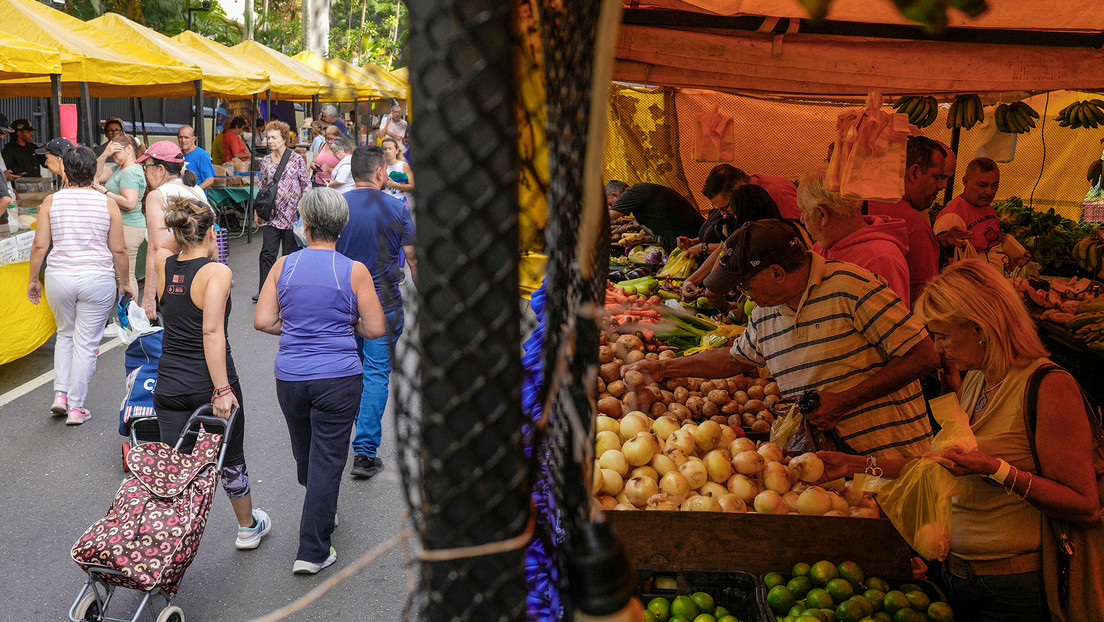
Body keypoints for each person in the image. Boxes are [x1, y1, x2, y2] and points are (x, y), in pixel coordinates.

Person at [820, 259, 1103, 622]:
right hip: (958, 577)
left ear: (980, 326)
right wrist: (856, 466)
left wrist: (997, 470)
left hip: (1013, 587)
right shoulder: (975, 379)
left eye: (942, 335)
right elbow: (936, 468)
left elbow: (1084, 504)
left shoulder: (1048, 386)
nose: (937, 349)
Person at [624, 219, 937, 459]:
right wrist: (664, 369)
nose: (741, 294)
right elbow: (734, 358)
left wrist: (845, 401)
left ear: (775, 273)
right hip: (828, 464)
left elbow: (924, 355)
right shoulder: (765, 312)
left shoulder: (852, 287)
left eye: (745, 285)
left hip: (894, 460)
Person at [254, 188, 385, 574]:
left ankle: (320, 509)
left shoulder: (285, 266)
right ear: (341, 226)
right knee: (327, 460)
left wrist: (294, 328)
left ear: (304, 225)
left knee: (306, 455)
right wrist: (346, 325)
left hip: (291, 376)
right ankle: (313, 551)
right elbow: (375, 328)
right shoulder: (353, 270)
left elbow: (263, 321)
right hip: (339, 377)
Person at [153, 196, 272, 551]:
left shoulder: (162, 264)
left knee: (176, 465)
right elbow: (211, 332)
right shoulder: (216, 273)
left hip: (169, 384)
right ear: (210, 233)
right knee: (231, 456)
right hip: (210, 384)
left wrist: (189, 230)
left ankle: (165, 540)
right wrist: (221, 389)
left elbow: (165, 245)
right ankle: (247, 527)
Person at [26, 144, 132, 425]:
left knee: (65, 335)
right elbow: (119, 250)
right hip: (97, 278)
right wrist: (125, 282)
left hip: (59, 277)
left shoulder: (52, 201)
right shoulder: (107, 203)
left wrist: (33, 280)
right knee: (86, 343)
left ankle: (60, 395)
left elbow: (40, 246)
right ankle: (76, 407)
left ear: (66, 169)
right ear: (92, 171)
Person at [336, 146, 417, 479]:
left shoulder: (335, 207)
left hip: (341, 303)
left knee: (351, 371)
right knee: (376, 373)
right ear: (381, 172)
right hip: (383, 302)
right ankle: (365, 453)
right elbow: (412, 259)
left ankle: (345, 438)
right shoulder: (397, 208)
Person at [797, 169, 912, 306]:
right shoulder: (823, 246)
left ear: (822, 214)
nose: (802, 220)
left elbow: (891, 324)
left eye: (803, 211)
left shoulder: (879, 259)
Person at [865, 136, 948, 305]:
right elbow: (923, 298)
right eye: (936, 177)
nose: (941, 186)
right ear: (914, 172)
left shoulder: (865, 203)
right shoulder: (914, 225)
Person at [138, 140, 210, 319]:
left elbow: (156, 248)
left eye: (146, 167)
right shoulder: (196, 190)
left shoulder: (157, 195)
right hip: (200, 272)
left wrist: (148, 297)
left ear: (160, 169)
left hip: (172, 279)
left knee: (169, 338)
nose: (145, 173)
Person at [679, 184, 789, 299]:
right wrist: (691, 280)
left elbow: (713, 288)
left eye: (728, 211)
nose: (724, 214)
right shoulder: (779, 228)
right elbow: (721, 250)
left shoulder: (750, 238)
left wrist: (724, 306)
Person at [255, 120, 310, 302]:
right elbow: (262, 186)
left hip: (293, 216)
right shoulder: (265, 161)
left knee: (289, 255)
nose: (270, 141)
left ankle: (288, 290)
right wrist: (257, 210)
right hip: (271, 215)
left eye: (274, 137)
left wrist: (304, 206)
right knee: (268, 253)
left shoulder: (296, 159)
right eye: (268, 137)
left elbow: (306, 184)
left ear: (284, 138)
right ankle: (264, 290)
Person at [92, 133, 147, 299]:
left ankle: (130, 318)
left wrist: (104, 191)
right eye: (112, 153)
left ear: (129, 149)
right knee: (121, 276)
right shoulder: (119, 168)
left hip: (129, 227)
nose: (113, 156)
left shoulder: (130, 171)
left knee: (125, 277)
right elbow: (95, 175)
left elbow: (130, 203)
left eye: (116, 152)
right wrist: (104, 154)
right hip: (124, 226)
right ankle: (128, 317)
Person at [935, 157, 1003, 257]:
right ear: (965, 181)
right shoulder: (951, 217)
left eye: (994, 185)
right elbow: (947, 267)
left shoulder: (988, 208)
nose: (989, 191)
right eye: (982, 185)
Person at [608, 182, 705, 251]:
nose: (612, 207)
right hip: (688, 243)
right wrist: (642, 239)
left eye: (610, 204)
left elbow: (608, 218)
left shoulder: (633, 192)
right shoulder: (639, 199)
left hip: (695, 242)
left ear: (616, 195)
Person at [705, 164, 801, 222]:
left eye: (724, 208)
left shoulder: (778, 193)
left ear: (739, 189)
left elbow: (805, 229)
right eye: (717, 209)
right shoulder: (750, 195)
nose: (723, 214)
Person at [177, 125, 217, 192]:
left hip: (195, 200)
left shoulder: (201, 155)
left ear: (194, 139)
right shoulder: (177, 155)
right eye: (180, 137)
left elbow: (210, 179)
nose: (183, 140)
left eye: (186, 137)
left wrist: (195, 192)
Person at [381, 137, 414, 210]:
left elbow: (412, 187)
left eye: (390, 148)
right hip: (383, 203)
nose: (387, 151)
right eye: (385, 149)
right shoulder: (379, 166)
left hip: (400, 203)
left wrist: (394, 184)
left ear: (396, 150)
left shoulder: (403, 165)